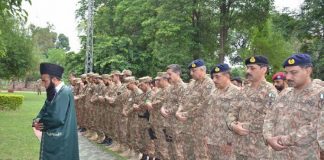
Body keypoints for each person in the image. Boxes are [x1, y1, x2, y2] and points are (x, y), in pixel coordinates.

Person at [263, 54, 324, 159]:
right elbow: (269, 117)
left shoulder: (320, 95)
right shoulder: (284, 93)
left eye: (293, 72)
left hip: (303, 155)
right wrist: (268, 137)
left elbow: (317, 127)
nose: (288, 77)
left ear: (308, 70)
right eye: (286, 72)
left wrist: (285, 139)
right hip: (277, 156)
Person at [227, 55, 278, 159]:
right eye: (247, 68)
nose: (248, 71)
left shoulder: (270, 91)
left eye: (252, 68)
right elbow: (232, 111)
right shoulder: (243, 90)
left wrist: (244, 127)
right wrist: (232, 125)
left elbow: (270, 119)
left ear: (263, 69)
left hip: (258, 150)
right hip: (240, 147)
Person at [32, 63, 79, 160]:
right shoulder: (53, 92)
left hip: (61, 139)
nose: (43, 85)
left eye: (45, 81)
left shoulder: (64, 92)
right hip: (54, 137)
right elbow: (43, 110)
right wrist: (35, 121)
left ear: (54, 79)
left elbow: (57, 118)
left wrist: (40, 123)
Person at [176, 59, 215, 160]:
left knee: (201, 154)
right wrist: (179, 111)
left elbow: (204, 105)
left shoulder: (209, 84)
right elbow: (183, 99)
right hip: (187, 126)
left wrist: (185, 114)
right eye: (191, 71)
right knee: (187, 152)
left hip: (201, 127)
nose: (191, 73)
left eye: (194, 71)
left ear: (202, 70)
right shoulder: (192, 83)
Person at [203, 63, 240, 160]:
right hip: (212, 140)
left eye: (217, 77)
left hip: (226, 142)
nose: (214, 80)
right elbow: (208, 115)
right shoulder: (213, 92)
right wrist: (206, 136)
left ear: (227, 76)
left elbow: (237, 119)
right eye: (213, 77)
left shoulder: (237, 93)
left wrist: (230, 142)